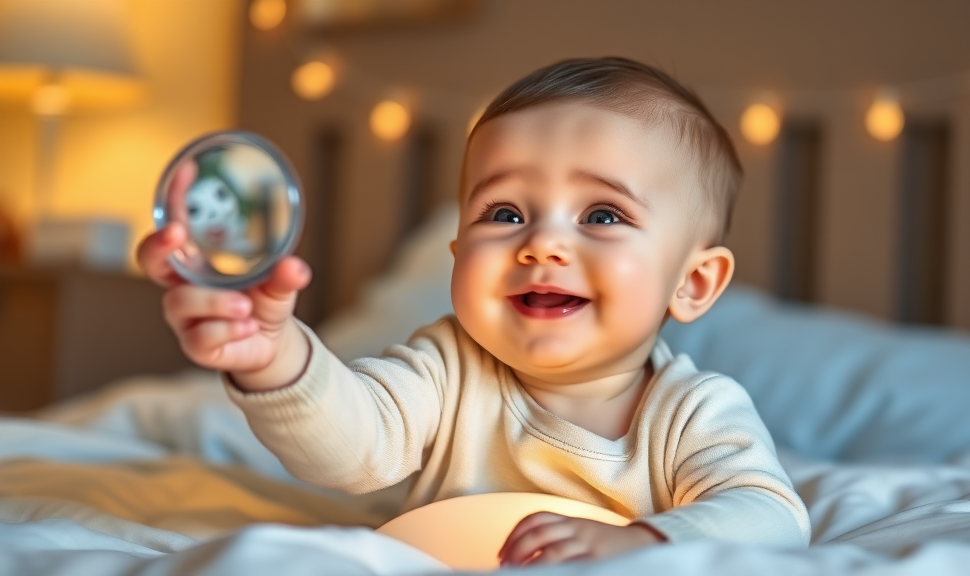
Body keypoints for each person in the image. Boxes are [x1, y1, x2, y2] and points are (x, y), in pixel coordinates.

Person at [138, 57, 811, 566]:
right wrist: (274, 355)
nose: (542, 242)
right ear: (459, 254)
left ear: (692, 283)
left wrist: (636, 540)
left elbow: (770, 514)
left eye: (602, 214)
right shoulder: (446, 369)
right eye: (505, 212)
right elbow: (355, 447)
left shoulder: (692, 412)